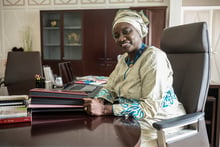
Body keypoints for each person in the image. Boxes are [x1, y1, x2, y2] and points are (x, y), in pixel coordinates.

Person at [84, 9, 185, 121]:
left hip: (159, 121)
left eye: (127, 31)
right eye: (116, 36)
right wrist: (100, 100)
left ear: (139, 31)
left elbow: (149, 108)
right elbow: (110, 86)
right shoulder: (124, 59)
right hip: (132, 119)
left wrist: (104, 109)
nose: (121, 38)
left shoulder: (153, 57)